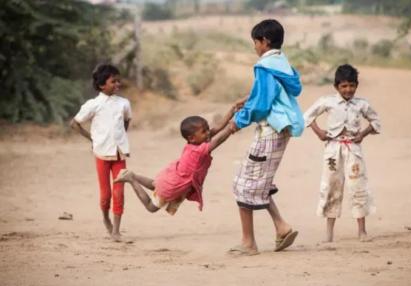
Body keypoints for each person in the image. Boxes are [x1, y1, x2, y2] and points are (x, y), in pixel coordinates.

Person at [229, 19, 305, 256]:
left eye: (255, 42)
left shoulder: (264, 66)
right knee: (260, 181)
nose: (255, 47)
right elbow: (275, 92)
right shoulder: (282, 63)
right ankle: (281, 227)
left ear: (265, 41)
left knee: (243, 184)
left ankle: (248, 242)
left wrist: (238, 122)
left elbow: (262, 104)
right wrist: (248, 98)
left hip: (270, 130)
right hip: (282, 131)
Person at [114, 104, 241, 215]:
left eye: (207, 129)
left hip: (171, 177)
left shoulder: (195, 144)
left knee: (155, 185)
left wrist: (231, 111)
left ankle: (133, 175)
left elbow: (217, 128)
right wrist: (230, 128)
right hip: (173, 185)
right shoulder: (198, 150)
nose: (208, 132)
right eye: (204, 131)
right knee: (150, 207)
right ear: (191, 138)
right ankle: (131, 179)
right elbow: (218, 140)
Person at [304, 64, 381, 242]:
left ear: (356, 85)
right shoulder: (327, 101)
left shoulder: (362, 104)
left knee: (358, 186)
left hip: (353, 150)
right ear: (336, 86)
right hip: (332, 150)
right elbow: (307, 116)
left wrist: (363, 134)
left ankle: (362, 231)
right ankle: (329, 233)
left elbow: (375, 122)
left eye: (352, 85)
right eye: (344, 86)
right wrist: (319, 132)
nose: (348, 90)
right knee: (331, 187)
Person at [70, 64, 132, 242]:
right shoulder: (93, 105)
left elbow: (127, 121)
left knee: (119, 192)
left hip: (120, 154)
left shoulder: (124, 103)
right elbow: (74, 123)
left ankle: (116, 231)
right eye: (113, 81)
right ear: (101, 85)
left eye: (118, 80)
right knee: (106, 194)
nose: (118, 84)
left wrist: (120, 138)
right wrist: (93, 139)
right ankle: (105, 218)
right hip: (101, 155)